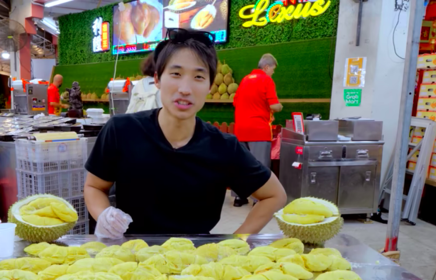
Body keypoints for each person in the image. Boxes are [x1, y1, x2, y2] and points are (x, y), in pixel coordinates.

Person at [84, 29, 286, 238]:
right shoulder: (122, 130)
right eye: (176, 74)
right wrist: (104, 214)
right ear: (157, 79)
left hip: (195, 262)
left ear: (209, 85)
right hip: (130, 256)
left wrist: (235, 243)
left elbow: (275, 195)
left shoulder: (223, 146)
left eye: (198, 76)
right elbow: (94, 186)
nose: (185, 88)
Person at [232, 53, 283, 207]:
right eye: (272, 69)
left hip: (240, 130)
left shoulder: (245, 80)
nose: (272, 73)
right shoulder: (266, 80)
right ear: (266, 67)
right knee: (260, 166)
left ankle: (239, 198)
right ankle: (258, 200)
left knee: (241, 165)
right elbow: (274, 105)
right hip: (259, 131)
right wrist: (279, 107)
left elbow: (236, 102)